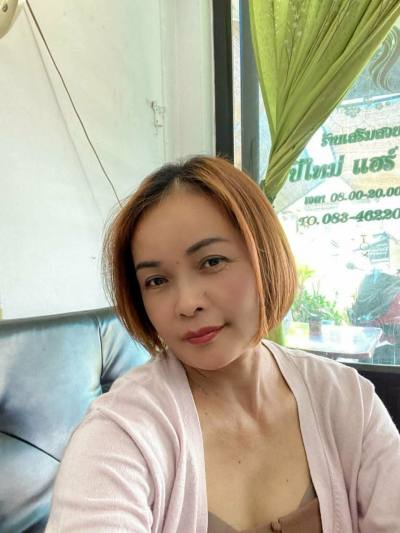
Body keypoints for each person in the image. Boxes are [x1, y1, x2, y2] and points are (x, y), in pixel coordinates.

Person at [46, 156, 400, 532]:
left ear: (264, 256)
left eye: (211, 262)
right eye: (156, 281)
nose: (186, 304)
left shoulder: (347, 401)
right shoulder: (121, 434)